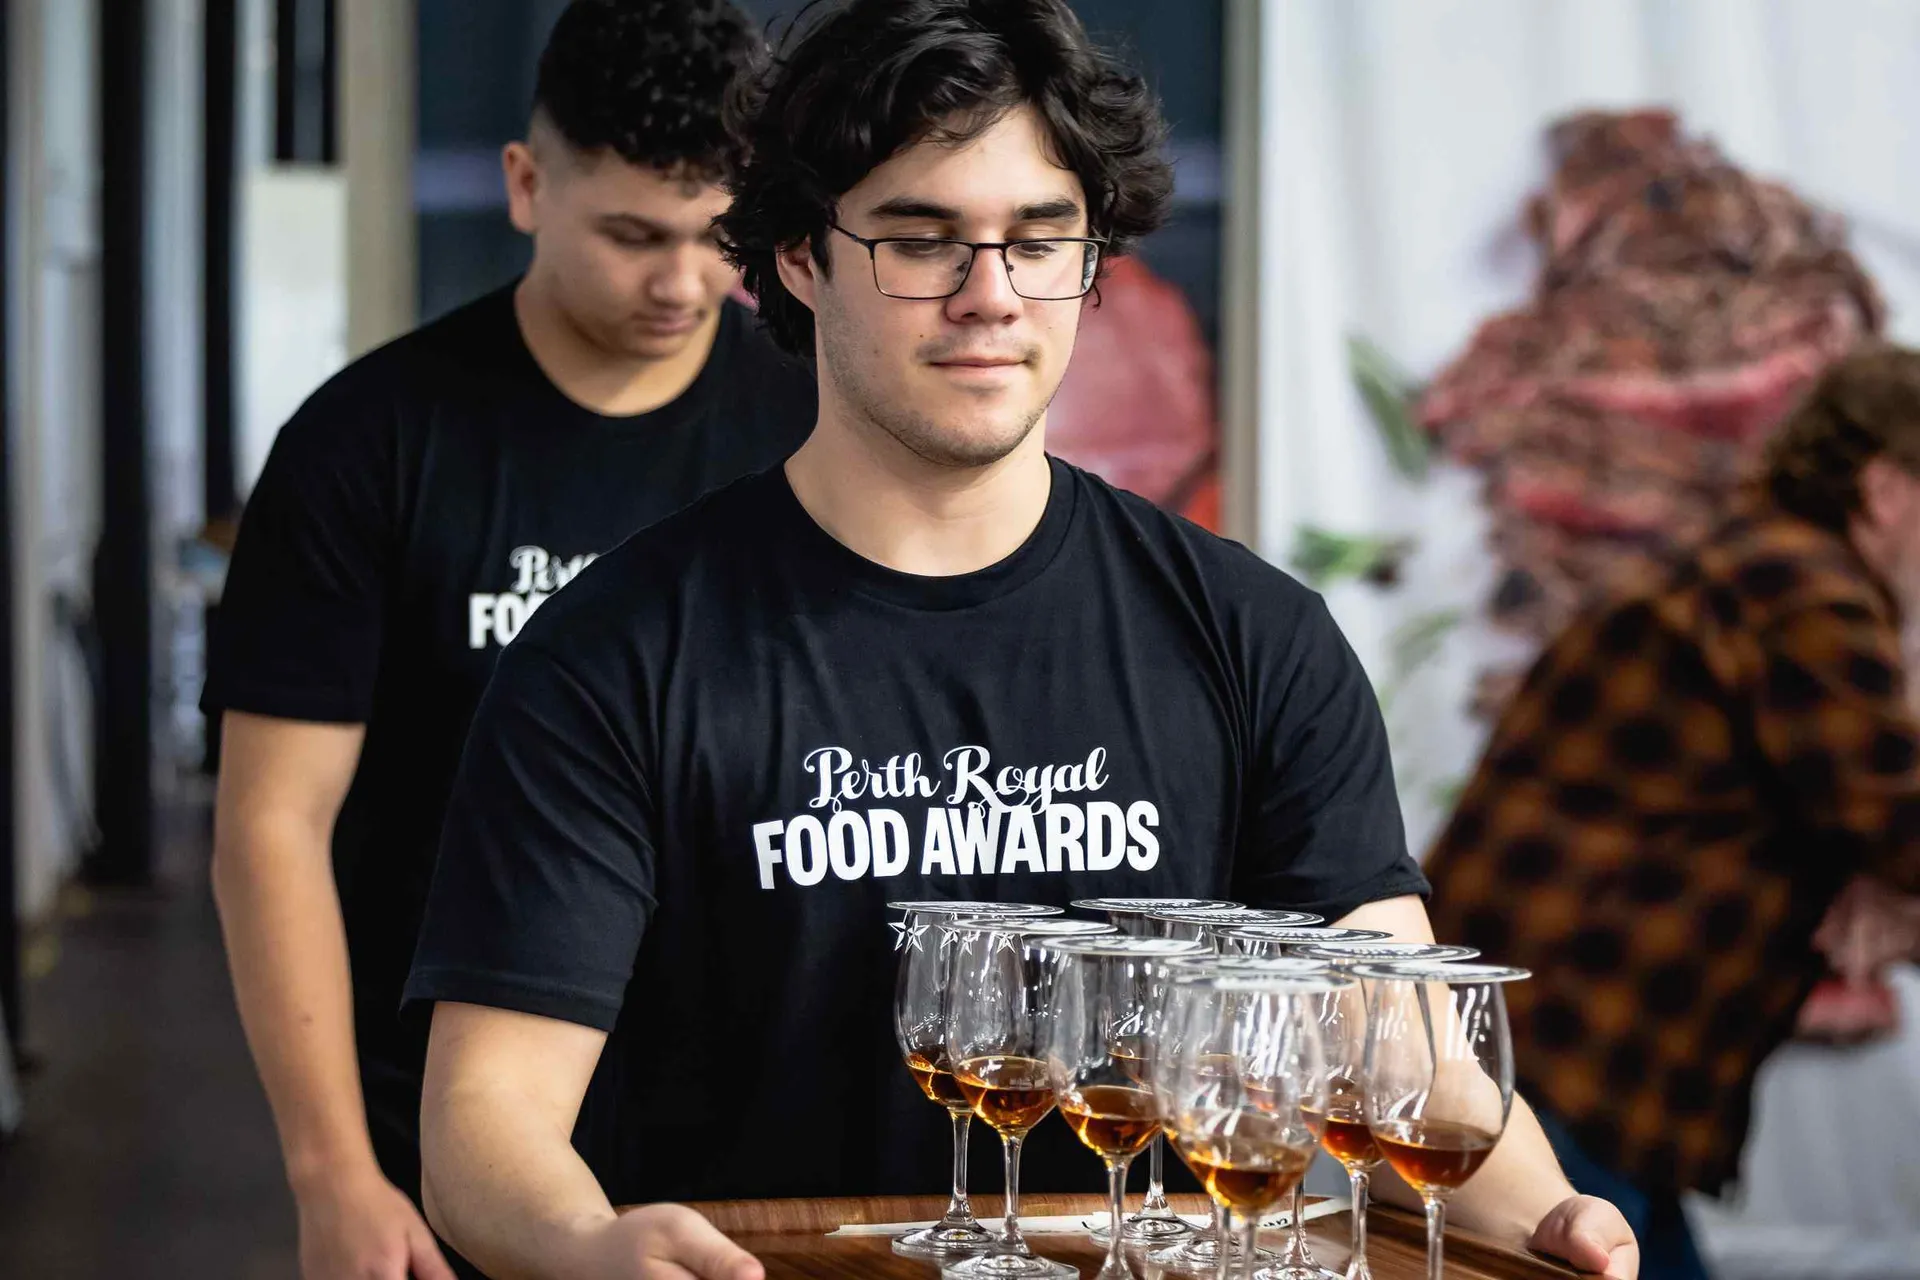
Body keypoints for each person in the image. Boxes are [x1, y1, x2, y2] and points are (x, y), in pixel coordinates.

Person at [403, 2, 1640, 1277]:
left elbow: (1405, 1047)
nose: (989, 296)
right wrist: (582, 1242)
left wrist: (1542, 1211)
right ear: (795, 257)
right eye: (921, 240)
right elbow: (486, 1117)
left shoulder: (1256, 635)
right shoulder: (613, 653)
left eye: (1040, 240)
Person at [204, 3, 815, 1278]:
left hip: (742, 1133)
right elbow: (271, 824)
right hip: (431, 1125)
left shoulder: (810, 427)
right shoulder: (366, 444)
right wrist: (334, 1174)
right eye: (633, 236)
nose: (681, 284)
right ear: (527, 187)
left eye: (717, 240)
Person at [1424, 346, 1920, 1280]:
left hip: (1553, 1057)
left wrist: (1885, 889)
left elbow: (1859, 821)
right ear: (1890, 487)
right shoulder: (1804, 585)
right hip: (1563, 1063)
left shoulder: (1765, 562)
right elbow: (1896, 822)